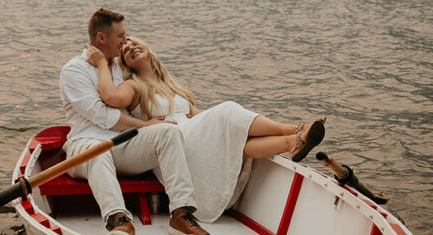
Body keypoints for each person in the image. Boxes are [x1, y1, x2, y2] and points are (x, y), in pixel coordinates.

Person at [86, 37, 326, 224]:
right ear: (126, 64)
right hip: (172, 141)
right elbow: (110, 97)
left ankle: (290, 142)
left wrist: (215, 120)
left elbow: (195, 116)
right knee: (229, 110)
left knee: (237, 138)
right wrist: (101, 64)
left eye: (134, 43)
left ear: (147, 47)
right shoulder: (133, 86)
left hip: (193, 131)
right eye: (125, 50)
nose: (131, 47)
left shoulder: (170, 84)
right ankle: (297, 128)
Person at [60, 9, 212, 235]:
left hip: (124, 145)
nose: (125, 41)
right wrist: (144, 125)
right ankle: (118, 220)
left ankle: (181, 214)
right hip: (86, 145)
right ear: (101, 38)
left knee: (167, 131)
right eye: (120, 36)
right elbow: (101, 115)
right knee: (98, 150)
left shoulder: (122, 69)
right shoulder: (74, 70)